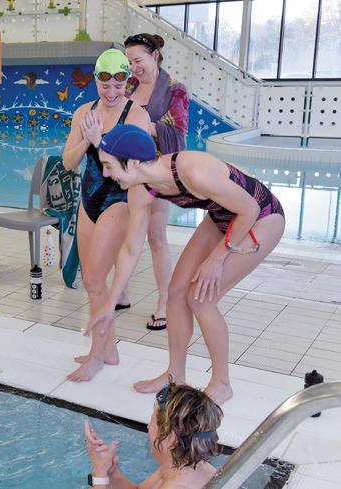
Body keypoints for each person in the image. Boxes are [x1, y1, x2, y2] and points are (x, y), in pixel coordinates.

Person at [87, 125, 285, 404]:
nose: (106, 174)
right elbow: (131, 249)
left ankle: (221, 384)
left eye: (108, 165)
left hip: (261, 218)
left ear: (132, 162)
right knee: (176, 292)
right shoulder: (141, 190)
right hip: (222, 217)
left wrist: (216, 259)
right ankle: (174, 376)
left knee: (201, 298)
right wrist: (109, 305)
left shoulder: (193, 170)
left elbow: (250, 209)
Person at [61, 49, 151, 382]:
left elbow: (133, 167)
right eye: (105, 85)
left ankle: (96, 356)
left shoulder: (137, 115)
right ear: (96, 80)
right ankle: (108, 348)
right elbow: (68, 162)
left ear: (127, 82)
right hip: (89, 198)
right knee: (93, 281)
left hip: (120, 199)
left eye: (118, 85)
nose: (112, 92)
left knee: (93, 279)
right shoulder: (84, 112)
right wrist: (86, 140)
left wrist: (100, 140)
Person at [124, 33, 190, 332]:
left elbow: (178, 136)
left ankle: (164, 304)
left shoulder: (175, 90)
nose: (133, 67)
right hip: (126, 169)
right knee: (124, 234)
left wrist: (144, 126)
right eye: (129, 62)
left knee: (156, 237)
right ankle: (122, 294)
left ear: (155, 55)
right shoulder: (129, 86)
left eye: (138, 60)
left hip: (158, 171)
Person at [84, 381, 222, 488]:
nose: (148, 426)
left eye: (152, 420)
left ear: (170, 437)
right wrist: (111, 472)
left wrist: (99, 474)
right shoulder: (183, 465)